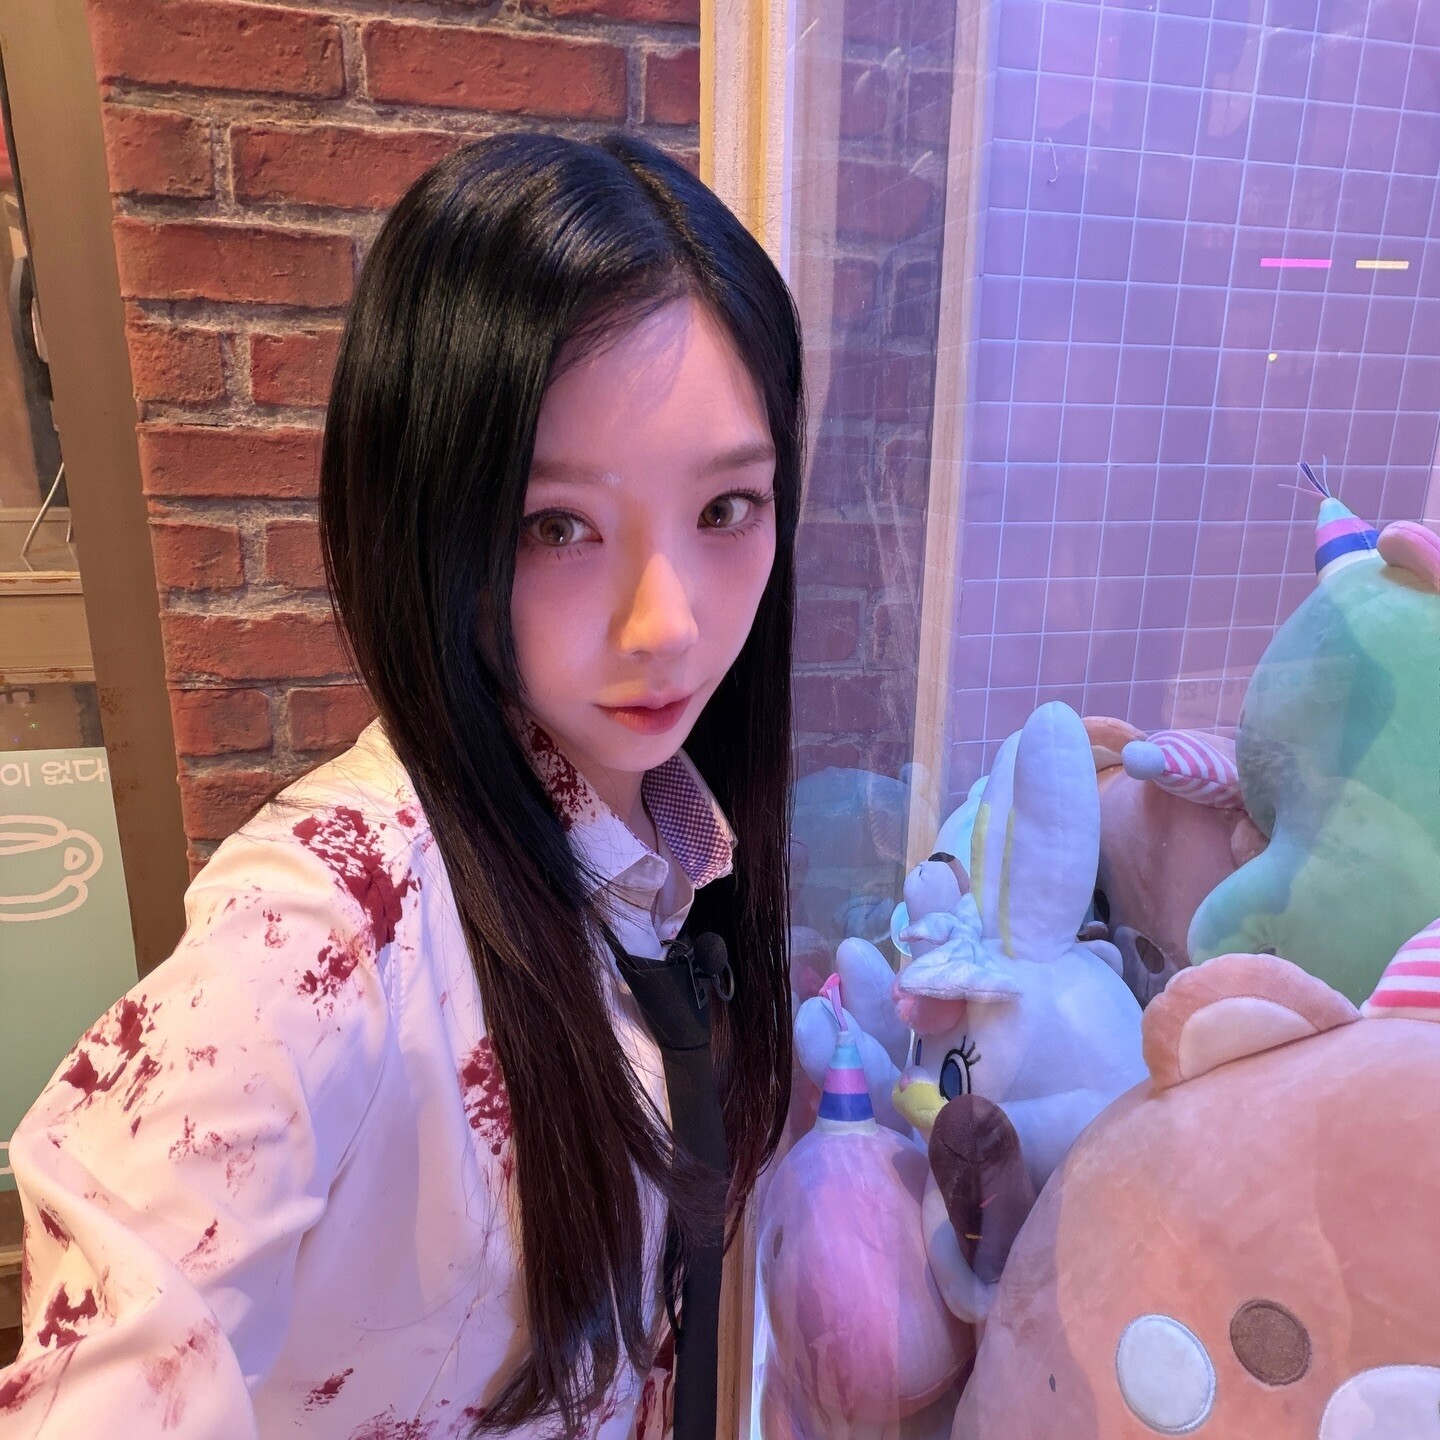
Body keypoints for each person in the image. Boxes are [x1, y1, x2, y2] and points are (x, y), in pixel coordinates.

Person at [0, 131, 802, 1439]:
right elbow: (114, 1334)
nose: (669, 624)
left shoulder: (663, 841)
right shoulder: (329, 927)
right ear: (432, 523)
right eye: (558, 526)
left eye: (725, 510)